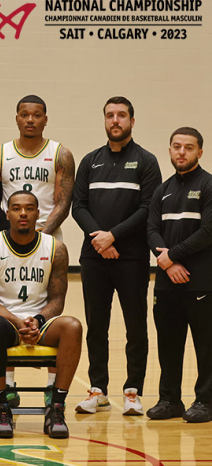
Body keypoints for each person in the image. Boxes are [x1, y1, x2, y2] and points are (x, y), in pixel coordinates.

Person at [0, 95, 75, 409]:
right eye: (25, 114)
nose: (31, 120)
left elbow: (63, 202)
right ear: (17, 118)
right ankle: (7, 386)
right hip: (11, 238)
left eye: (37, 115)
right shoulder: (0, 154)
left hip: (47, 236)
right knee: (8, 300)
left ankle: (52, 386)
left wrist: (41, 236)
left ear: (45, 119)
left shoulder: (60, 153)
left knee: (47, 303)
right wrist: (13, 233)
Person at [72, 96, 161, 416]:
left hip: (132, 257)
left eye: (122, 115)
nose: (115, 120)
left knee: (135, 325)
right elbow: (78, 206)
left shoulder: (147, 161)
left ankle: (133, 391)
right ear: (104, 120)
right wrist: (100, 239)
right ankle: (98, 390)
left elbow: (149, 208)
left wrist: (114, 236)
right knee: (97, 326)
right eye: (110, 115)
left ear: (132, 121)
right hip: (94, 258)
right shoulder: (90, 160)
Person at [0, 190, 83, 439]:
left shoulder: (55, 248)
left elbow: (57, 300)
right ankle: (3, 407)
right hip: (6, 321)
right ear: (7, 214)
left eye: (29, 208)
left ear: (38, 213)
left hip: (41, 321)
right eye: (16, 208)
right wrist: (17, 321)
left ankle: (56, 407)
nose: (23, 213)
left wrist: (38, 321)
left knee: (73, 327)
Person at [147, 127, 212, 422]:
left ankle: (206, 401)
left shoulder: (208, 185)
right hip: (166, 284)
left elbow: (208, 231)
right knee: (169, 345)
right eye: (176, 147)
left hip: (201, 283)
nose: (181, 152)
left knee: (206, 347)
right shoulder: (162, 190)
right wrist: (167, 263)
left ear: (200, 151)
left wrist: (173, 255)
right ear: (170, 150)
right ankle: (170, 400)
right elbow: (152, 230)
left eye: (188, 147)